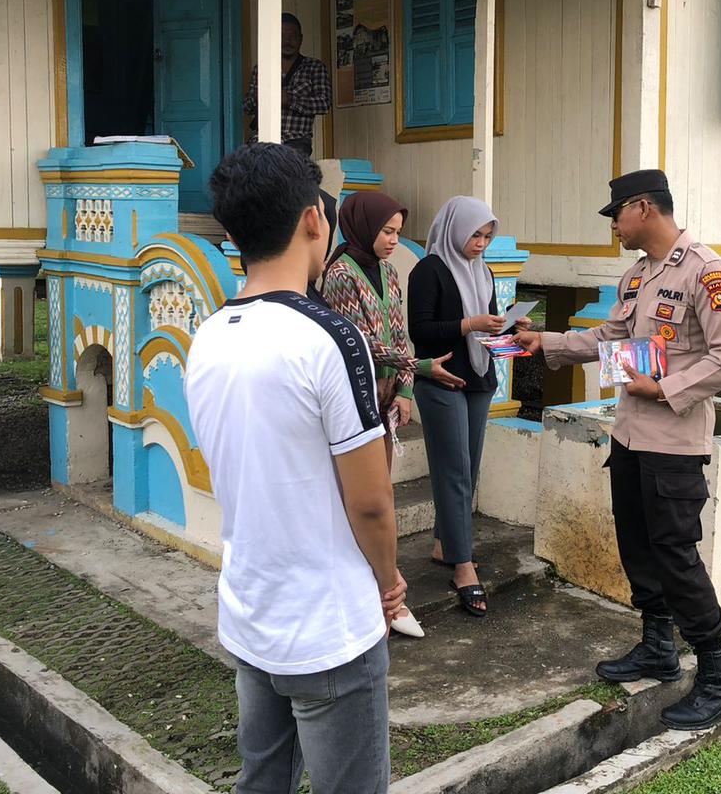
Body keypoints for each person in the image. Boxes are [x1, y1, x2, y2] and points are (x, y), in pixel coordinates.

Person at [185, 143, 405, 794]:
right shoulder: (329, 338)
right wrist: (389, 580)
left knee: (262, 781)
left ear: (233, 234)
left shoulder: (209, 335)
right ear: (314, 218)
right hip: (328, 625)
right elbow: (370, 502)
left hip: (250, 612)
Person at [514, 170, 721, 731]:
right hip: (628, 437)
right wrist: (545, 341)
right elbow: (609, 339)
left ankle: (719, 679)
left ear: (643, 208)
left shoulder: (708, 273)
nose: (614, 226)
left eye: (617, 214)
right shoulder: (637, 275)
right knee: (638, 548)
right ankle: (658, 646)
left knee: (676, 557)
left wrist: (665, 389)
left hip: (674, 445)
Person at [322, 191, 468, 637]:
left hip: (385, 398)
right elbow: (358, 341)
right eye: (387, 231)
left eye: (398, 233)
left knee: (380, 495)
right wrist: (419, 368)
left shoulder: (388, 270)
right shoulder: (341, 274)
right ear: (364, 226)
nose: (393, 240)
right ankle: (372, 599)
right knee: (361, 500)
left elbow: (399, 334)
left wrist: (405, 389)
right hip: (356, 398)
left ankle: (384, 595)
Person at [407, 196, 528, 618]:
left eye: (487, 237)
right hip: (442, 378)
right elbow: (421, 331)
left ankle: (446, 544)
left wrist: (509, 323)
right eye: (475, 235)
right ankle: (463, 566)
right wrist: (469, 324)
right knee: (454, 469)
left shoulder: (483, 271)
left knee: (469, 467)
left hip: (478, 376)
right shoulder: (429, 270)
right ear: (454, 229)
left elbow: (489, 327)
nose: (480, 244)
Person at [243, 12, 332, 154]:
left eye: (293, 36)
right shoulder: (262, 69)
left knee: (289, 164)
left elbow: (324, 104)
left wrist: (290, 100)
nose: (287, 41)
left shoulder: (314, 67)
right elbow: (246, 107)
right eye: (282, 36)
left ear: (301, 39)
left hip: (297, 140)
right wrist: (257, 97)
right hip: (262, 139)